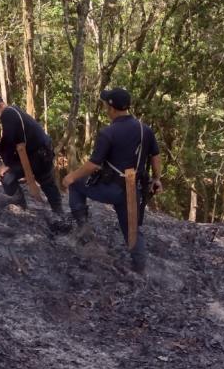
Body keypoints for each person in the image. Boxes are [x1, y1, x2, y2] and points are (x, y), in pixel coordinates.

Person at [62, 88, 162, 273]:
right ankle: (140, 270)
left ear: (111, 107)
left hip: (112, 189)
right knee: (131, 230)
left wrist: (71, 176)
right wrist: (157, 178)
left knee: (76, 184)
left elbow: (93, 164)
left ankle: (83, 229)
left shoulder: (109, 132)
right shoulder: (144, 129)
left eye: (106, 104)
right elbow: (155, 157)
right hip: (134, 191)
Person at [0, 93, 63, 213]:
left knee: (7, 176)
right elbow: (12, 139)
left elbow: (9, 141)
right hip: (43, 153)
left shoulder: (8, 114)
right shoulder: (12, 110)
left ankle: (19, 203)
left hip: (38, 156)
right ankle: (59, 212)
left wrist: (6, 165)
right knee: (47, 183)